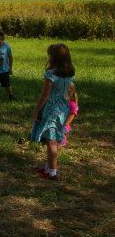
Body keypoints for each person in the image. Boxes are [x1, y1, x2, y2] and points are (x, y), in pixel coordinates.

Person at [31, 43, 75, 181]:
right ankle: (48, 167)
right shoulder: (70, 72)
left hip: (51, 110)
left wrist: (36, 110)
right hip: (63, 108)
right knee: (54, 138)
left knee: (51, 140)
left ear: (53, 58)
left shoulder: (51, 74)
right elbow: (71, 88)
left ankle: (52, 173)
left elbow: (44, 95)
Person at [60, 83, 79, 148]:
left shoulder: (72, 104)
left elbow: (70, 118)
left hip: (63, 126)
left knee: (60, 137)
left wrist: (63, 125)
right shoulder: (62, 102)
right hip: (58, 123)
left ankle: (62, 141)